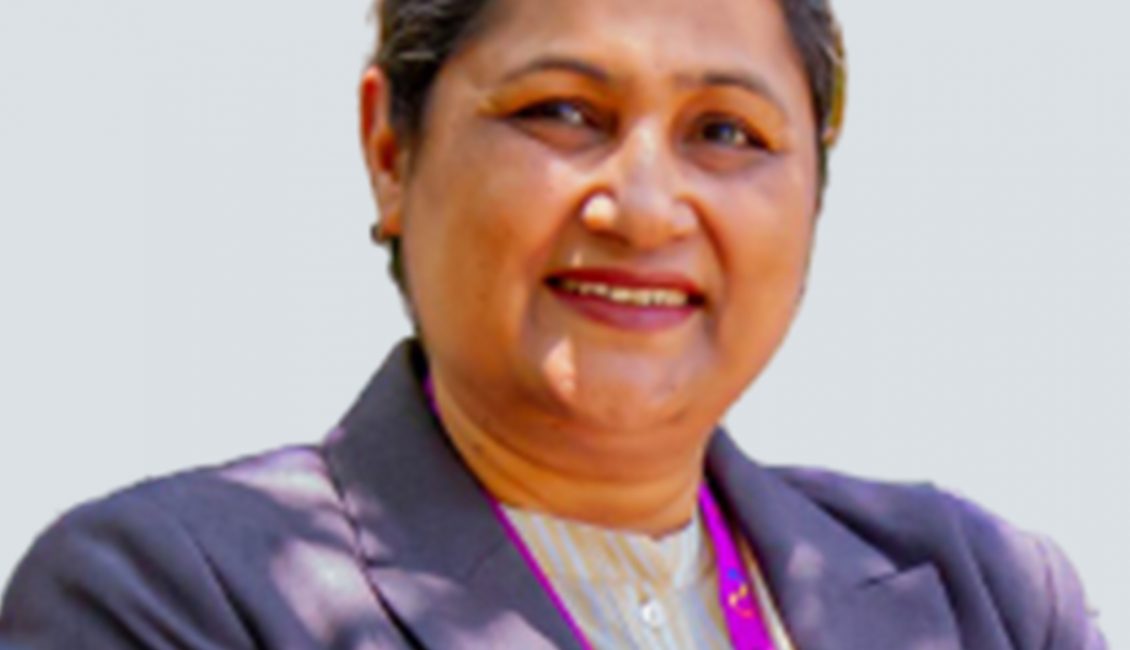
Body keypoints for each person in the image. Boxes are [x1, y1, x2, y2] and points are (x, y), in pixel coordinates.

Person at [0, 0, 1107, 647]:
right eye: (563, 112)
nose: (644, 208)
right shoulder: (166, 596)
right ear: (390, 152)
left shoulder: (987, 595)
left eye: (725, 131)